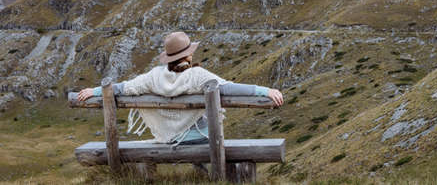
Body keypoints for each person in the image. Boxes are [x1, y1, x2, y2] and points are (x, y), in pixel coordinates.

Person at [77, 31, 283, 145]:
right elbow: (230, 88)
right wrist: (264, 91)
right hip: (201, 139)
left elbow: (123, 87)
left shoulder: (154, 76)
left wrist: (95, 91)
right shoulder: (198, 75)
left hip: (169, 137)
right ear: (188, 55)